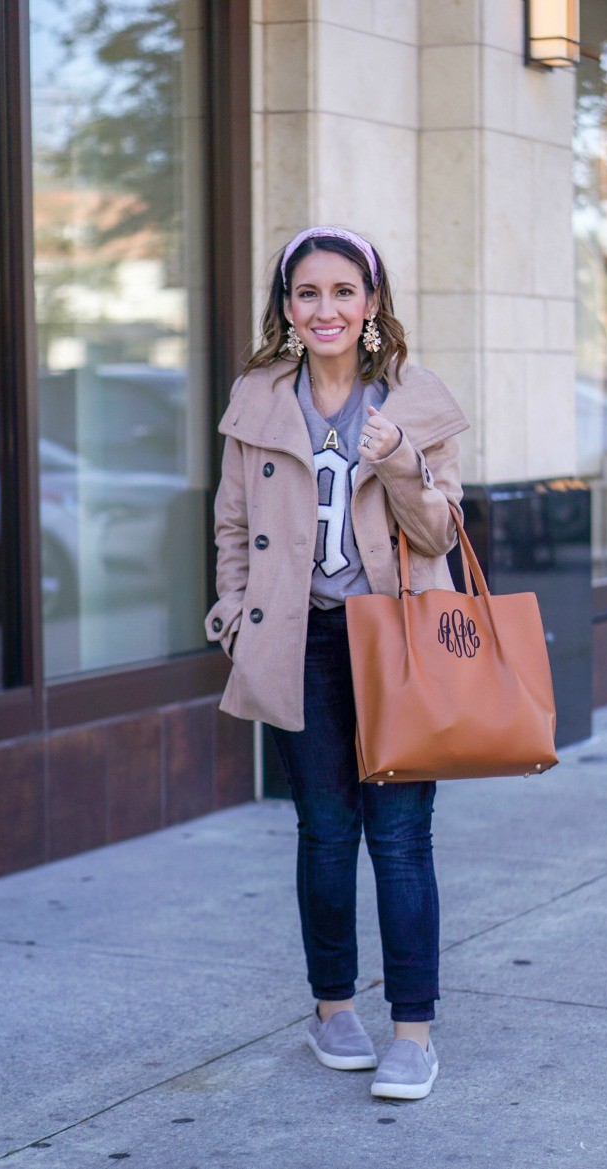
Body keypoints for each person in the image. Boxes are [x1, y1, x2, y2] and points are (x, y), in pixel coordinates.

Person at [205, 226, 469, 1100]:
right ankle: (331, 1011)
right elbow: (234, 527)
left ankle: (414, 1032)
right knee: (324, 834)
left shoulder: (414, 400)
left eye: (343, 292)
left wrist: (395, 461)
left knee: (400, 839)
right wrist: (236, 619)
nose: (326, 308)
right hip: (298, 639)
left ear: (371, 305)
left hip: (394, 637)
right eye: (307, 293)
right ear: (287, 309)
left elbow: (438, 534)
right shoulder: (256, 402)